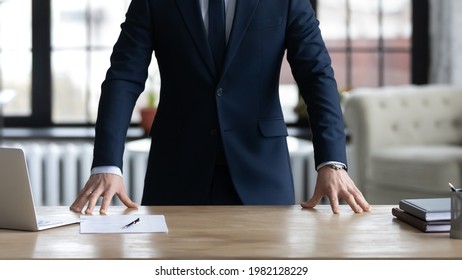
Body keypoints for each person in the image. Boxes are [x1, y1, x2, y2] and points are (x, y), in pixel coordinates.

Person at [70, 0, 371, 215]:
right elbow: (123, 77)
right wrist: (108, 163)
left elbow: (316, 76)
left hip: (261, 172)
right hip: (176, 173)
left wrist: (332, 161)